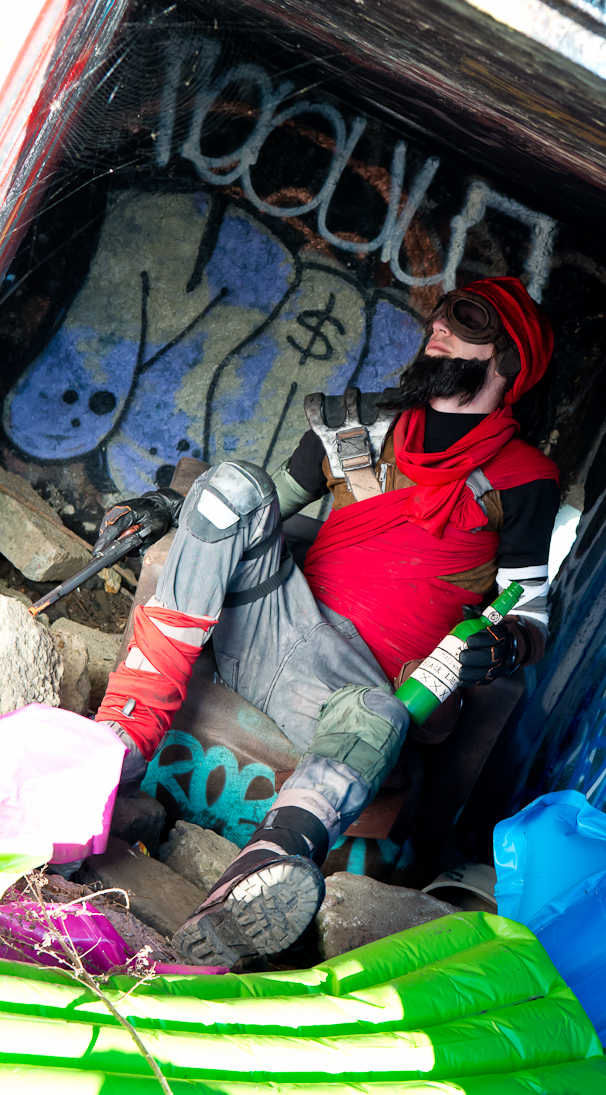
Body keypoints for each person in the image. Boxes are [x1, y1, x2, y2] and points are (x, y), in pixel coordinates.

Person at [92, 275, 560, 965]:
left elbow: (530, 606)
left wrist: (509, 642)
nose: (438, 326)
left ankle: (265, 871)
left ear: (511, 359)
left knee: (380, 715)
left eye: (466, 319)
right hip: (273, 623)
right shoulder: (355, 423)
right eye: (441, 312)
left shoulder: (524, 478)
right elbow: (261, 504)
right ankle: (117, 741)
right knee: (232, 482)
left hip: (351, 688)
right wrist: (172, 507)